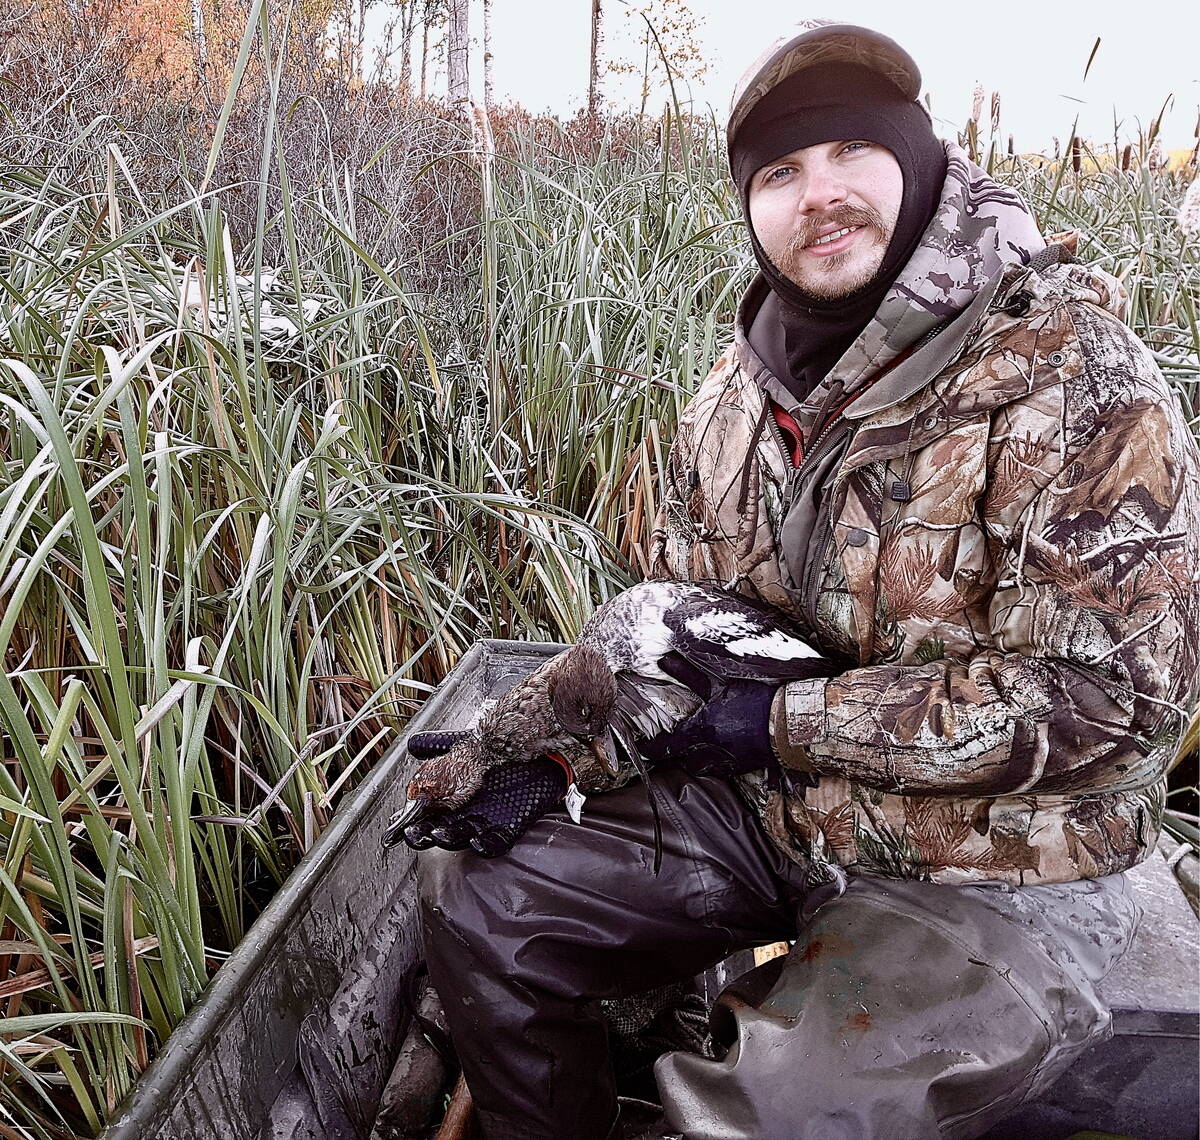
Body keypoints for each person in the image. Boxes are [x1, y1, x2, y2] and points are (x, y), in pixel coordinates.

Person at [409, 21, 1200, 1140]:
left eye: (850, 153)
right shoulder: (734, 398)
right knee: (486, 906)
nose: (818, 194)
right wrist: (530, 748)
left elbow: (1112, 711)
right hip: (784, 817)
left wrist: (777, 723)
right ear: (751, 206)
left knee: (776, 1113)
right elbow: (672, 643)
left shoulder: (1074, 382)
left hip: (1006, 866)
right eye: (781, 171)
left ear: (919, 163)